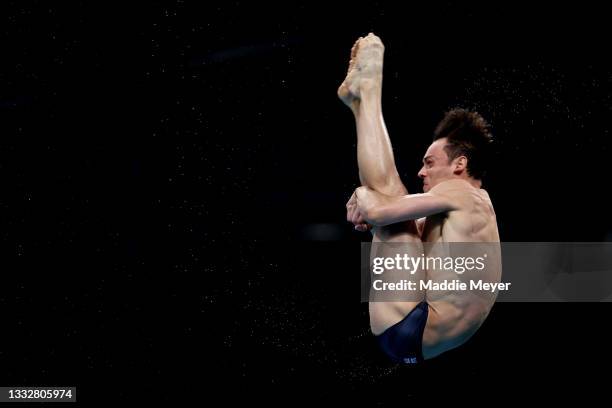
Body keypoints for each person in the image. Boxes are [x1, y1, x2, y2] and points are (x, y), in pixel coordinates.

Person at [339, 33, 501, 363]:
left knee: (383, 194)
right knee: (390, 204)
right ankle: (361, 102)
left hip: (411, 323)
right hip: (416, 335)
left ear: (460, 165)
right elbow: (381, 218)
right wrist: (373, 211)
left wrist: (362, 198)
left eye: (429, 163)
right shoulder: (473, 211)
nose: (421, 172)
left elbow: (380, 210)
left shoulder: (462, 192)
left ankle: (367, 94)